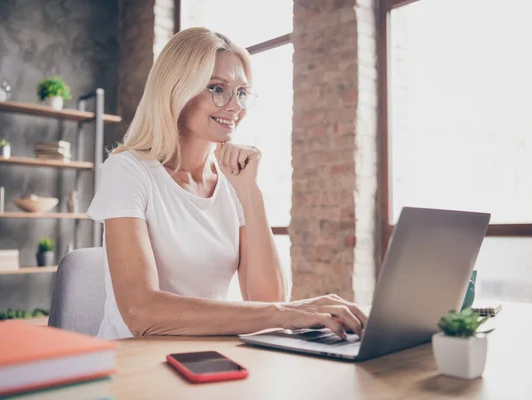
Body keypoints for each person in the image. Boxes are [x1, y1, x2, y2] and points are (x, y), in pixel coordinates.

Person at [86, 27, 367, 341]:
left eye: (242, 92)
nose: (235, 106)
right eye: (217, 88)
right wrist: (289, 312)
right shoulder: (127, 171)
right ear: (177, 90)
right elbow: (141, 314)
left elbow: (266, 299)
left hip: (207, 359)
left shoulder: (233, 182)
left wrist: (249, 191)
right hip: (132, 366)